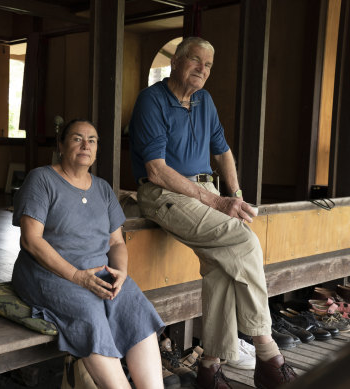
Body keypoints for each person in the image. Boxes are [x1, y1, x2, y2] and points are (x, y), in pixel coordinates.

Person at [128, 37, 298, 389]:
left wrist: (234, 194)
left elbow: (223, 152)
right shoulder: (151, 100)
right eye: (195, 60)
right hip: (164, 192)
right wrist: (218, 203)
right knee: (243, 241)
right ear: (176, 61)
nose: (202, 69)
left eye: (208, 65)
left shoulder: (204, 101)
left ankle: (209, 366)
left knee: (222, 267)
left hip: (206, 190)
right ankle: (267, 351)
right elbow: (157, 170)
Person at [12, 119, 166, 389]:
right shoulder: (42, 179)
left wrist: (121, 273)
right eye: (77, 138)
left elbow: (116, 242)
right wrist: (76, 276)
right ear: (61, 146)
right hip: (49, 273)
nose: (86, 145)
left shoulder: (103, 189)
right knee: (89, 312)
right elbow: (31, 241)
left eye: (92, 140)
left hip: (97, 271)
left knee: (133, 304)